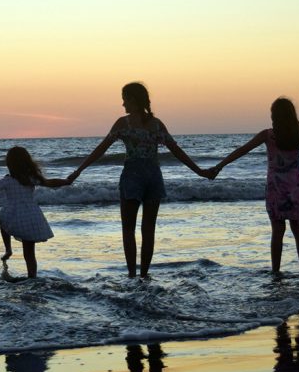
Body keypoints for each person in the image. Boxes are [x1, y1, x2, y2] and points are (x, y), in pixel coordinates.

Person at [68, 82, 210, 278]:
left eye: (125, 99)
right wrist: (199, 171)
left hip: (133, 177)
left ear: (133, 100)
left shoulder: (123, 123)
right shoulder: (157, 124)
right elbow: (176, 150)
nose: (123, 104)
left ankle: (132, 275)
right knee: (148, 229)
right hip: (153, 177)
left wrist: (79, 170)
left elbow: (101, 149)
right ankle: (144, 274)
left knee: (128, 229)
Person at [207, 97, 299, 275]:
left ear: (275, 116)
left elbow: (242, 150)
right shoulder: (298, 137)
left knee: (277, 232)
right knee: (298, 231)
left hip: (276, 189)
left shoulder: (268, 135)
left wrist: (219, 166)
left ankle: (276, 273)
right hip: (295, 189)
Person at [0, 146, 71, 279]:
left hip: (13, 213)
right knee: (29, 252)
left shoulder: (7, 180)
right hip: (31, 215)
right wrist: (66, 181)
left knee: (2, 218)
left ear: (9, 164)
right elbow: (50, 183)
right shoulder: (31, 178)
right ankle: (32, 277)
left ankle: (8, 248)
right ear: (27, 162)